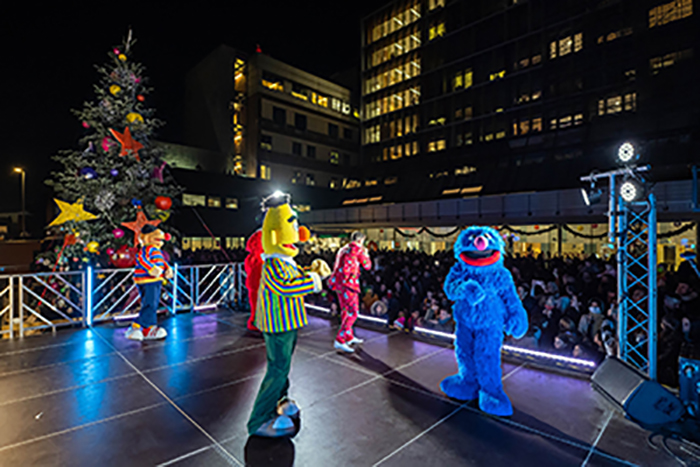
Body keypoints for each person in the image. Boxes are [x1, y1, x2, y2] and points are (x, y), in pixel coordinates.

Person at [246, 192, 330, 438]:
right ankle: (259, 420)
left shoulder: (283, 261)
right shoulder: (272, 263)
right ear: (275, 234)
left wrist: (310, 271)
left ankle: (280, 400)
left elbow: (292, 278)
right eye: (291, 223)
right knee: (277, 368)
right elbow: (286, 287)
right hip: (278, 324)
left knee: (282, 366)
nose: (299, 232)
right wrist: (314, 280)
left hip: (287, 323)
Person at [125, 225, 173, 341]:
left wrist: (168, 268)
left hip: (156, 279)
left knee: (153, 304)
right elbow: (141, 259)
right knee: (150, 303)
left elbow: (162, 262)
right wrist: (151, 268)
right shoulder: (147, 249)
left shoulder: (157, 250)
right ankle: (135, 326)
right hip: (147, 279)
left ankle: (149, 328)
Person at [328, 231, 372, 353]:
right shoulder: (357, 249)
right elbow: (367, 266)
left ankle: (348, 336)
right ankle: (340, 339)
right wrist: (366, 254)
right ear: (360, 240)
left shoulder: (343, 249)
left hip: (340, 284)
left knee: (345, 311)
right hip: (349, 285)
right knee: (353, 312)